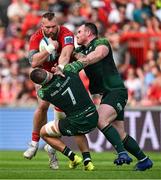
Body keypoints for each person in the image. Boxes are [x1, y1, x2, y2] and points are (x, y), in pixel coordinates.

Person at [59, 22, 153, 171]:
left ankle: (121, 153)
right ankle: (144, 160)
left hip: (116, 91)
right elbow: (73, 55)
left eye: (79, 32)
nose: (76, 35)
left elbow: (99, 54)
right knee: (121, 134)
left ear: (88, 33)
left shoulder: (101, 42)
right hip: (108, 94)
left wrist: (79, 63)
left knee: (100, 119)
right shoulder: (81, 51)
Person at [23, 11, 91, 170]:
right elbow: (33, 62)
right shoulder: (36, 37)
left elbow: (66, 54)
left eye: (54, 26)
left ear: (58, 24)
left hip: (61, 73)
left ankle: (52, 150)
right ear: (42, 26)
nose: (51, 30)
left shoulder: (66, 34)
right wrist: (49, 48)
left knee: (63, 112)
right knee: (42, 106)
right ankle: (34, 143)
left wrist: (60, 68)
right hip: (44, 75)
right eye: (48, 27)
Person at [29, 68, 98, 171]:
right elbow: (81, 63)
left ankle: (73, 157)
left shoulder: (44, 93)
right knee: (79, 132)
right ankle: (88, 161)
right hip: (93, 115)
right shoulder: (68, 71)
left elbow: (41, 92)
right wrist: (59, 67)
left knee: (43, 132)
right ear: (47, 71)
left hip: (75, 120)